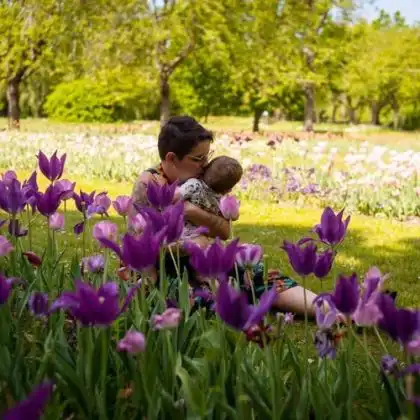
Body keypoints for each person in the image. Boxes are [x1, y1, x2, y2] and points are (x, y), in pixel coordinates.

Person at [131, 116, 318, 316]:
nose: (205, 164)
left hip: (207, 261)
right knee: (203, 297)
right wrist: (190, 245)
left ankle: (333, 311)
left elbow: (224, 230)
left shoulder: (200, 181)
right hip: (166, 271)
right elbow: (141, 251)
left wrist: (191, 211)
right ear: (171, 158)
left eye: (207, 156)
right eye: (197, 159)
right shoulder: (150, 185)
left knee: (257, 273)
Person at [178, 155, 242, 239]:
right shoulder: (222, 201)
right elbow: (233, 216)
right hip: (200, 234)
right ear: (228, 189)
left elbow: (176, 196)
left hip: (181, 230)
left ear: (204, 170)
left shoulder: (194, 185)